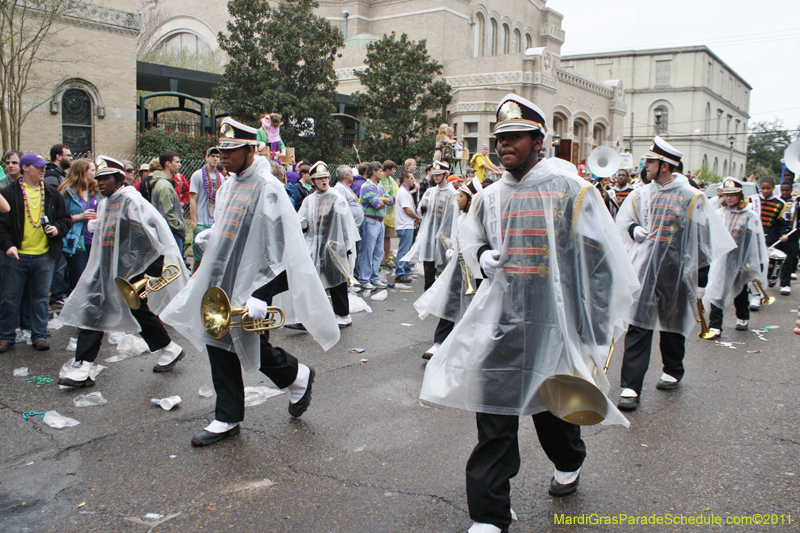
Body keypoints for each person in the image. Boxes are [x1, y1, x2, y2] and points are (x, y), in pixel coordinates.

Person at [420, 95, 637, 533]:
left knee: (551, 411)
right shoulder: (489, 197)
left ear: (539, 141)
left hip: (555, 326)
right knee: (494, 417)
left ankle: (569, 459)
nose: (504, 146)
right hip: (499, 324)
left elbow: (600, 266)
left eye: (515, 137)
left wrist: (593, 333)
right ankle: (490, 514)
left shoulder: (571, 190)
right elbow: (471, 239)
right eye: (500, 138)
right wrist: (481, 255)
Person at [160, 118, 339, 447]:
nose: (223, 157)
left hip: (255, 283)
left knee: (251, 345)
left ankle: (296, 375)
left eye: (231, 151)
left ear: (251, 149)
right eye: (221, 151)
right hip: (224, 276)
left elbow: (279, 246)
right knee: (218, 338)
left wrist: (260, 294)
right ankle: (227, 416)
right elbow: (235, 225)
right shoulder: (230, 184)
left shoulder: (267, 186)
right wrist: (215, 237)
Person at [615, 136, 735, 411]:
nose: (645, 166)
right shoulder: (640, 193)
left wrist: (701, 280)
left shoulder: (693, 197)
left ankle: (672, 369)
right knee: (638, 324)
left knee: (672, 323)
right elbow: (623, 222)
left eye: (650, 161)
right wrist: (634, 230)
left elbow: (704, 240)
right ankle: (631, 387)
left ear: (666, 165)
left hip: (676, 272)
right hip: (644, 270)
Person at [57, 156, 187, 387]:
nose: (100, 183)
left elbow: (150, 234)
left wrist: (152, 272)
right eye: (98, 178)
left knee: (136, 311)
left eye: (106, 178)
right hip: (105, 269)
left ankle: (168, 348)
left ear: (118, 179)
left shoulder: (131, 201)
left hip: (128, 271)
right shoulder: (107, 202)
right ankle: (85, 365)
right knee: (95, 310)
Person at [0, 153, 72, 352]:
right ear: (25, 168)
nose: (43, 170)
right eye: (38, 166)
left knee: (40, 298)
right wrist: (7, 246)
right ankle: (6, 336)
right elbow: (1, 226)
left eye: (44, 167)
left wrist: (57, 229)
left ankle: (39, 335)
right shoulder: (8, 193)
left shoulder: (52, 194)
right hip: (16, 255)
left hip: (44, 255)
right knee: (10, 297)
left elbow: (65, 219)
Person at [415, 178, 480, 360]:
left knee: (473, 307)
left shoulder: (480, 219)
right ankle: (439, 342)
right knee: (450, 302)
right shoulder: (460, 218)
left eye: (461, 196)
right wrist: (453, 250)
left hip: (474, 272)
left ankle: (468, 345)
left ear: (471, 199)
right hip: (458, 269)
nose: (457, 199)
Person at [703, 178, 768, 338]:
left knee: (740, 289)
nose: (729, 198)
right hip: (721, 259)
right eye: (726, 195)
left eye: (733, 195)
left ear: (739, 195)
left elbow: (756, 239)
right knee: (717, 289)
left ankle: (742, 317)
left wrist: (755, 260)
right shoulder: (718, 214)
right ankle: (715, 325)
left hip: (742, 258)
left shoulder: (749, 215)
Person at [298, 162, 359, 327]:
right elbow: (302, 220)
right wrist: (302, 224)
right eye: (319, 178)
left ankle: (343, 315)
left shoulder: (336, 197)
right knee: (311, 283)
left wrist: (346, 247)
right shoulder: (309, 200)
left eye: (325, 177)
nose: (323, 181)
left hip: (333, 247)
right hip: (313, 246)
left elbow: (346, 223)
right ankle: (307, 318)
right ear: (313, 181)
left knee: (337, 280)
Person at [402, 161, 456, 291]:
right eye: (434, 174)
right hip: (429, 236)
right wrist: (423, 205)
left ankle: (442, 298)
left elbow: (453, 217)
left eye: (439, 174)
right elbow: (421, 212)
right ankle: (427, 296)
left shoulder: (452, 193)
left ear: (446, 174)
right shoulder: (430, 192)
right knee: (429, 269)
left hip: (444, 237)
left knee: (444, 268)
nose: (435, 177)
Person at [58, 158, 98, 292]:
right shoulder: (66, 193)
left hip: (95, 240)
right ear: (82, 173)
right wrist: (80, 217)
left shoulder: (97, 191)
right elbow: (58, 218)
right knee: (79, 276)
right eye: (92, 170)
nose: (95, 173)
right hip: (76, 241)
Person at [748, 176, 785, 308]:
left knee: (761, 268)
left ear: (773, 188)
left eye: (768, 188)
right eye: (763, 188)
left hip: (769, 240)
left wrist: (783, 234)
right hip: (752, 238)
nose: (765, 191)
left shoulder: (780, 204)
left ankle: (757, 294)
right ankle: (753, 292)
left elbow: (781, 224)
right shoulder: (752, 200)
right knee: (751, 267)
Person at [357, 161, 393, 289]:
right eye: (380, 171)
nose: (382, 173)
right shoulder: (366, 186)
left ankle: (374, 278)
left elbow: (391, 200)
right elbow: (376, 204)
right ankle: (365, 279)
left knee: (379, 251)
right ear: (374, 172)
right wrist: (383, 199)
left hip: (380, 221)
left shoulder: (380, 186)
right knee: (368, 251)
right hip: (370, 221)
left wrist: (382, 199)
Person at [189, 147, 224, 273]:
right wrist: (194, 222)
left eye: (217, 156)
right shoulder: (197, 175)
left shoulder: (221, 178)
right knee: (199, 259)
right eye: (212, 156)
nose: (214, 159)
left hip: (214, 223)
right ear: (206, 157)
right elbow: (192, 198)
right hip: (201, 222)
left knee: (213, 258)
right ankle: (192, 285)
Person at [150, 151, 187, 255]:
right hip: (171, 233)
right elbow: (167, 212)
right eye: (177, 162)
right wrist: (179, 226)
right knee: (175, 266)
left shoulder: (163, 182)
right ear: (167, 164)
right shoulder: (165, 185)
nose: (179, 165)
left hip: (167, 232)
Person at [394, 170, 420, 283]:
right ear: (405, 179)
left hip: (407, 224)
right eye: (411, 178)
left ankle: (405, 270)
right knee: (404, 250)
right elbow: (407, 209)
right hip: (404, 225)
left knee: (407, 250)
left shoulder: (406, 191)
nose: (413, 180)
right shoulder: (403, 192)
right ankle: (400, 273)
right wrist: (417, 217)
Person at [776, 182, 799, 295]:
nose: (784, 192)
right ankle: (772, 278)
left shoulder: (796, 203)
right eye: (783, 190)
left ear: (791, 190)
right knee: (774, 260)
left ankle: (785, 284)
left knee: (788, 261)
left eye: (787, 190)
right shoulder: (777, 203)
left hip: (792, 236)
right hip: (778, 236)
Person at [380, 160, 399, 267]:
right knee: (378, 238)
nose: (395, 171)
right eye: (393, 169)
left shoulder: (391, 180)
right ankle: (377, 260)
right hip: (381, 213)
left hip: (390, 214)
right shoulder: (379, 179)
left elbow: (397, 191)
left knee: (387, 237)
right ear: (388, 169)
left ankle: (387, 258)